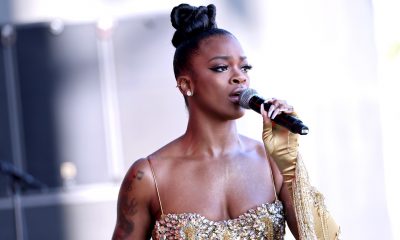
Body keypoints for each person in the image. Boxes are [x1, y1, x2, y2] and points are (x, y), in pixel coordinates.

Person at [112, 3, 340, 240]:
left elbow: (328, 238)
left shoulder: (273, 163)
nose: (240, 76)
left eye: (244, 67)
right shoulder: (148, 176)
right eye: (221, 67)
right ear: (186, 85)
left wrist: (290, 166)